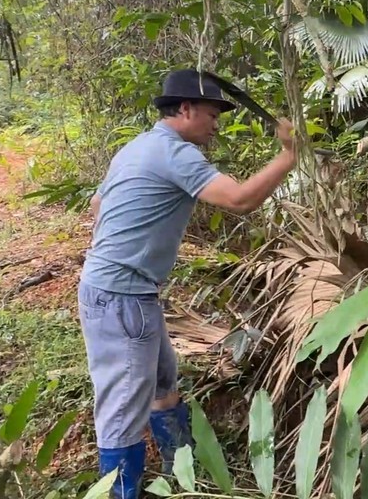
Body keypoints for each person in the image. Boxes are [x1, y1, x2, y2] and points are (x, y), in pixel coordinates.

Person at [78, 68, 296, 498]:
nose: (216, 124)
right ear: (185, 109)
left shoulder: (136, 148)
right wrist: (289, 156)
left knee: (162, 382)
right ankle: (124, 492)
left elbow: (97, 203)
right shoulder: (174, 153)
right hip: (121, 295)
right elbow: (240, 199)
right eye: (212, 114)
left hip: (126, 292)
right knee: (122, 406)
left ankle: (183, 472)